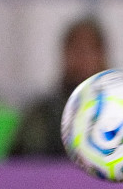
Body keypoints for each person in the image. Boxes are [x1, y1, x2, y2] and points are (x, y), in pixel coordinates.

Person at [8, 16, 108, 159]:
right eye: (76, 49)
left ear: (102, 56)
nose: (82, 58)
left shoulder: (122, 113)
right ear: (64, 54)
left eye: (90, 49)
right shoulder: (41, 115)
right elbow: (13, 169)